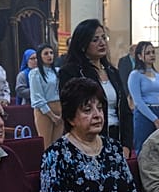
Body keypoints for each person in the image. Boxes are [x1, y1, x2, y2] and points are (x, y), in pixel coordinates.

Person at [41, 77, 138, 192]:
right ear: (71, 118)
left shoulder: (113, 148)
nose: (97, 115)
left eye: (100, 108)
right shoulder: (56, 155)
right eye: (87, 110)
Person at [57, 19, 133, 155]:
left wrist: (127, 145)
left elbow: (125, 110)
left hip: (117, 137)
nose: (102, 43)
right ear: (82, 45)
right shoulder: (71, 72)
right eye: (95, 40)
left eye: (104, 38)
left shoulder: (112, 72)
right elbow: (71, 110)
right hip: (87, 138)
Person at [128, 41, 159, 154]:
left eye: (153, 52)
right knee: (144, 149)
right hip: (144, 113)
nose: (152, 55)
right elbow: (138, 101)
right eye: (148, 53)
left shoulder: (158, 76)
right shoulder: (135, 75)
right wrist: (154, 120)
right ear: (140, 56)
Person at [29, 42, 63, 149]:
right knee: (46, 145)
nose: (49, 56)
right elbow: (37, 97)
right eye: (46, 53)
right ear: (40, 56)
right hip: (44, 110)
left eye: (51, 53)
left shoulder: (57, 71)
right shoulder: (35, 73)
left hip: (59, 107)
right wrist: (52, 115)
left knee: (57, 144)